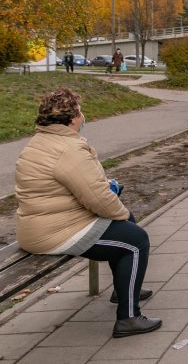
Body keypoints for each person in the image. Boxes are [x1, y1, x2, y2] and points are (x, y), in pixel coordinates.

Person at [15, 88, 160, 339]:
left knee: (128, 224)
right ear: (72, 119)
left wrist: (119, 210)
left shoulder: (42, 141)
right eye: (80, 113)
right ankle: (128, 318)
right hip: (55, 232)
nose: (83, 117)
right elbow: (97, 199)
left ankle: (123, 290)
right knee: (136, 241)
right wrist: (119, 208)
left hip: (41, 225)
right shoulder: (67, 149)